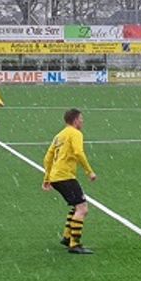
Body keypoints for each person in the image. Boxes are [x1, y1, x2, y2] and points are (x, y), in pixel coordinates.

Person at [42, 109, 98, 254]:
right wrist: (89, 171)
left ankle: (67, 237)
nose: (82, 121)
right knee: (82, 209)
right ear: (75, 120)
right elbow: (79, 152)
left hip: (56, 177)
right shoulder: (75, 133)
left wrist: (47, 177)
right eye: (81, 119)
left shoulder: (59, 135)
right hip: (65, 176)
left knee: (75, 206)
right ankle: (74, 244)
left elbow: (48, 157)